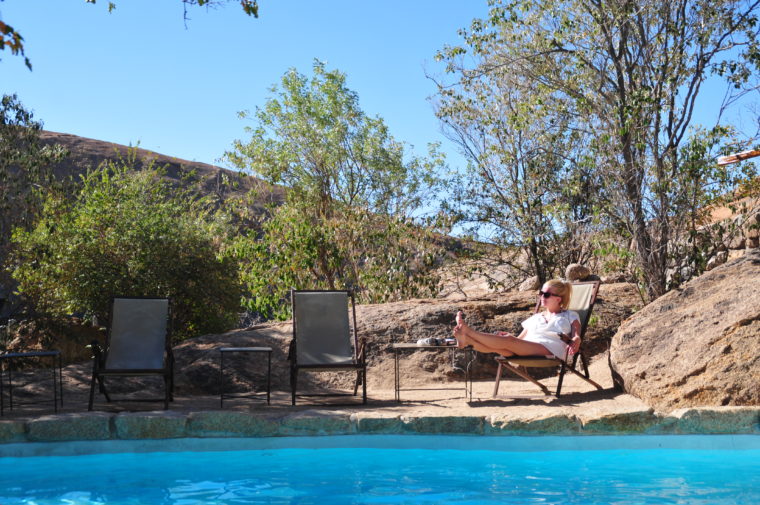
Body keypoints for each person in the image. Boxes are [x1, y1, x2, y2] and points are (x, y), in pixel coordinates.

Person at [453, 279, 581, 361]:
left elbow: (576, 334)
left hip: (551, 349)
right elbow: (519, 340)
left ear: (558, 299)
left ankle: (469, 332)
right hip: (527, 347)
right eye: (541, 293)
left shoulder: (570, 315)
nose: (542, 297)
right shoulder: (536, 317)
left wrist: (576, 339)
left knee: (508, 342)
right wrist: (510, 338)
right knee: (499, 348)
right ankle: (468, 340)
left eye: (546, 294)